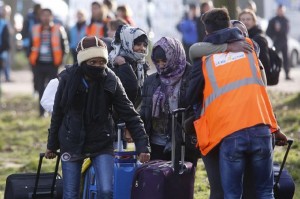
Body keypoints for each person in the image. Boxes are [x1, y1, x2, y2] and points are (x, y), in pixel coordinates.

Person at [188, 8, 287, 199]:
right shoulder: (250, 47)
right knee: (265, 192)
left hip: (230, 132)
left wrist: (222, 47)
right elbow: (261, 90)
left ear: (207, 32)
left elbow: (193, 51)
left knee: (232, 194)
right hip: (261, 130)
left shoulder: (206, 59)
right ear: (229, 26)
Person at [45, 36, 151, 199]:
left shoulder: (111, 79)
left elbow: (130, 113)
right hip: (71, 141)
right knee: (71, 193)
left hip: (102, 141)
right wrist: (52, 145)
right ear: (82, 62)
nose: (97, 66)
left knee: (107, 191)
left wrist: (143, 144)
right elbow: (58, 113)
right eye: (92, 62)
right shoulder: (67, 78)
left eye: (101, 62)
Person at [140, 36, 198, 164]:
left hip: (184, 143)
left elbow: (196, 108)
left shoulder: (192, 77)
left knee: (181, 182)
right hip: (156, 143)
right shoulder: (151, 81)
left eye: (164, 61)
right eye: (158, 61)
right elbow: (145, 111)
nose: (161, 66)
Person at [29, 8, 69, 117]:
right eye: (43, 15)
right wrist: (31, 59)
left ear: (52, 17)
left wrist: (61, 61)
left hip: (53, 64)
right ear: (40, 17)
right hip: (38, 64)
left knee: (53, 88)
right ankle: (41, 112)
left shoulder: (58, 29)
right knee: (40, 88)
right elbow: (30, 45)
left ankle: (53, 111)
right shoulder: (35, 29)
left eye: (48, 15)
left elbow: (65, 46)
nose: (46, 17)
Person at [108, 24, 150, 110]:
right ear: (127, 43)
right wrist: (124, 65)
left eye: (145, 45)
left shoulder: (141, 64)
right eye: (138, 44)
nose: (142, 48)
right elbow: (130, 88)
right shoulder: (115, 62)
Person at [239, 9, 271, 84]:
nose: (245, 22)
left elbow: (264, 62)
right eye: (242, 19)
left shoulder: (259, 38)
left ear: (254, 21)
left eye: (248, 19)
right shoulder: (239, 37)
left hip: (257, 79)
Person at [266, 4, 290, 80]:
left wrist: (279, 30)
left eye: (282, 10)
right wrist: (275, 33)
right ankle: (272, 74)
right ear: (277, 11)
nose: (280, 12)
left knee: (286, 58)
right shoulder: (273, 20)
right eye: (279, 10)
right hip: (276, 42)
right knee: (274, 58)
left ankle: (287, 74)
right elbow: (268, 32)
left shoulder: (286, 20)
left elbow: (286, 31)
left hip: (284, 42)